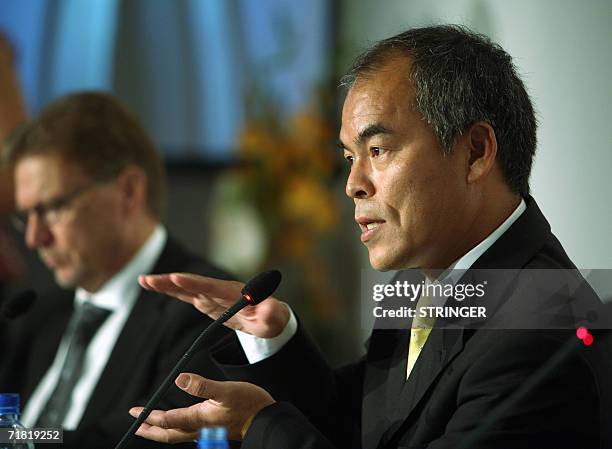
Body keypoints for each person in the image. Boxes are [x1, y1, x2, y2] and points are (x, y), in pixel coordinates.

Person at [130, 25, 609, 448]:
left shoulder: (539, 334)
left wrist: (259, 426)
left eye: (377, 150)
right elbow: (364, 427)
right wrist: (274, 340)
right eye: (348, 157)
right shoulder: (432, 285)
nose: (353, 183)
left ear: (475, 152)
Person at [0, 91, 234, 449]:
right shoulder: (36, 316)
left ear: (128, 191)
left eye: (53, 208)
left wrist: (19, 440)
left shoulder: (204, 311)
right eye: (25, 216)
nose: (34, 238)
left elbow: (143, 442)